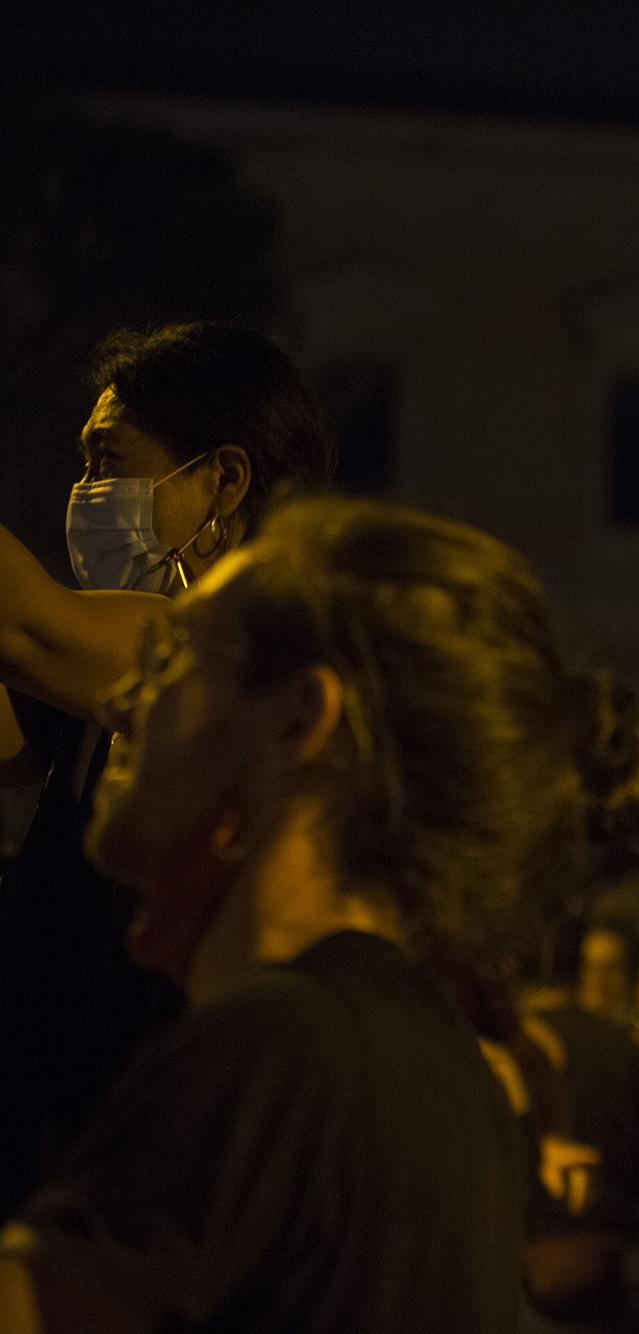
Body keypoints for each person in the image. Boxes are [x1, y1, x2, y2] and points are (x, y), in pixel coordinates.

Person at [0, 496, 639, 1332]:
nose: (122, 699)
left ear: (298, 721)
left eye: (171, 658)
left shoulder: (279, 1048)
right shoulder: (428, 1065)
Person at [0, 323, 337, 1215]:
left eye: (109, 460)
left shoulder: (236, 660)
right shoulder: (86, 691)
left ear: (222, 479)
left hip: (145, 1183)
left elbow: (19, 625)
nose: (83, 493)